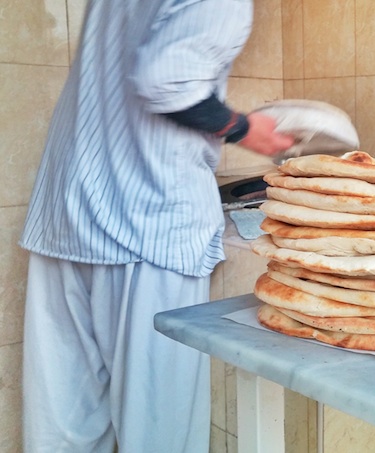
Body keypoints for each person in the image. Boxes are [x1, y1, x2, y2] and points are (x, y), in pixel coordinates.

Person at [19, 1, 294, 452]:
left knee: (64, 420)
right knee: (159, 426)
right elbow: (167, 80)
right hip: (147, 221)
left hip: (67, 210)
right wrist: (246, 129)